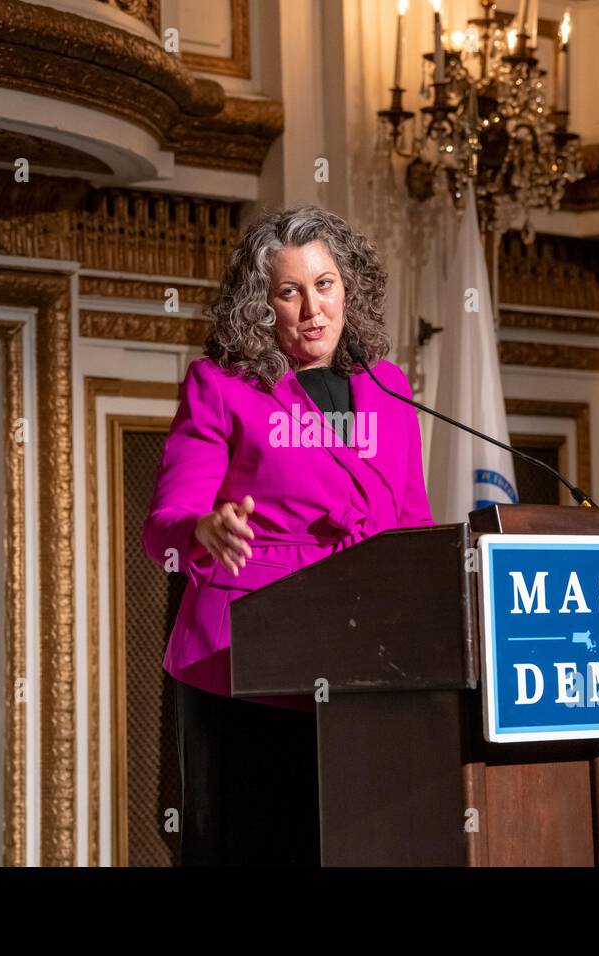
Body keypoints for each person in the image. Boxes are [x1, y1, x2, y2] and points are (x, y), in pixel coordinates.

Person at [141, 204, 437, 866]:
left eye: (324, 284)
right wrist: (204, 529)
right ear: (261, 305)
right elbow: (161, 529)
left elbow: (412, 524)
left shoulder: (389, 388)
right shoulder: (220, 386)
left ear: (348, 288)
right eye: (289, 290)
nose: (312, 308)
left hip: (365, 657)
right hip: (246, 663)